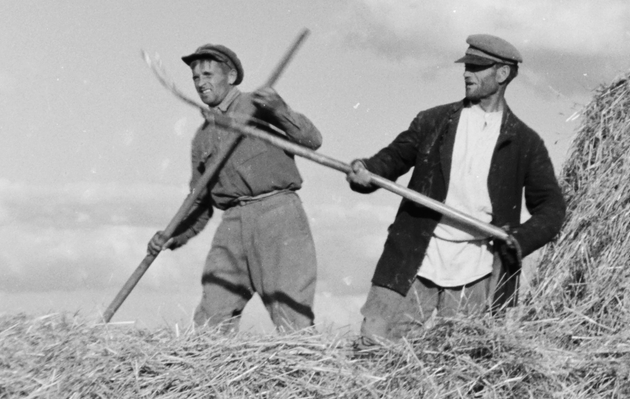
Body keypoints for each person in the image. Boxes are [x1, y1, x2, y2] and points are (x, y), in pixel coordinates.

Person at [347, 34, 565, 341]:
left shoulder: (525, 142)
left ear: (501, 74)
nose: (466, 73)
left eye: (477, 67)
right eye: (466, 66)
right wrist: (368, 170)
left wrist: (520, 240)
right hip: (415, 256)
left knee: (458, 364)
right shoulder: (433, 121)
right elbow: (394, 158)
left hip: (476, 270)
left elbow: (552, 208)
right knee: (376, 343)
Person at [150, 43, 322, 332]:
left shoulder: (257, 104)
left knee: (293, 321)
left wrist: (281, 110)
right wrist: (173, 235)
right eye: (195, 78)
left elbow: (312, 140)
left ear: (230, 77)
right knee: (209, 321)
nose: (201, 83)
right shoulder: (202, 138)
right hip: (232, 224)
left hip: (278, 215)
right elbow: (199, 202)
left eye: (207, 74)